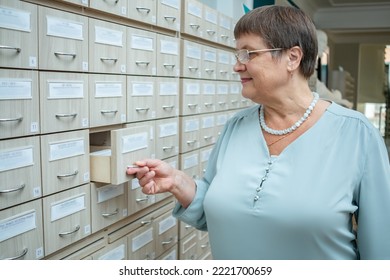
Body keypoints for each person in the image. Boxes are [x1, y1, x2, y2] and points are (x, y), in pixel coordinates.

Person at [126, 5, 390, 259]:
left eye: (248, 54)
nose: (237, 65)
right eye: (237, 55)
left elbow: (380, 249)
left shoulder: (357, 134)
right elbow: (215, 213)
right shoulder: (236, 126)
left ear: (292, 57)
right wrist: (177, 182)